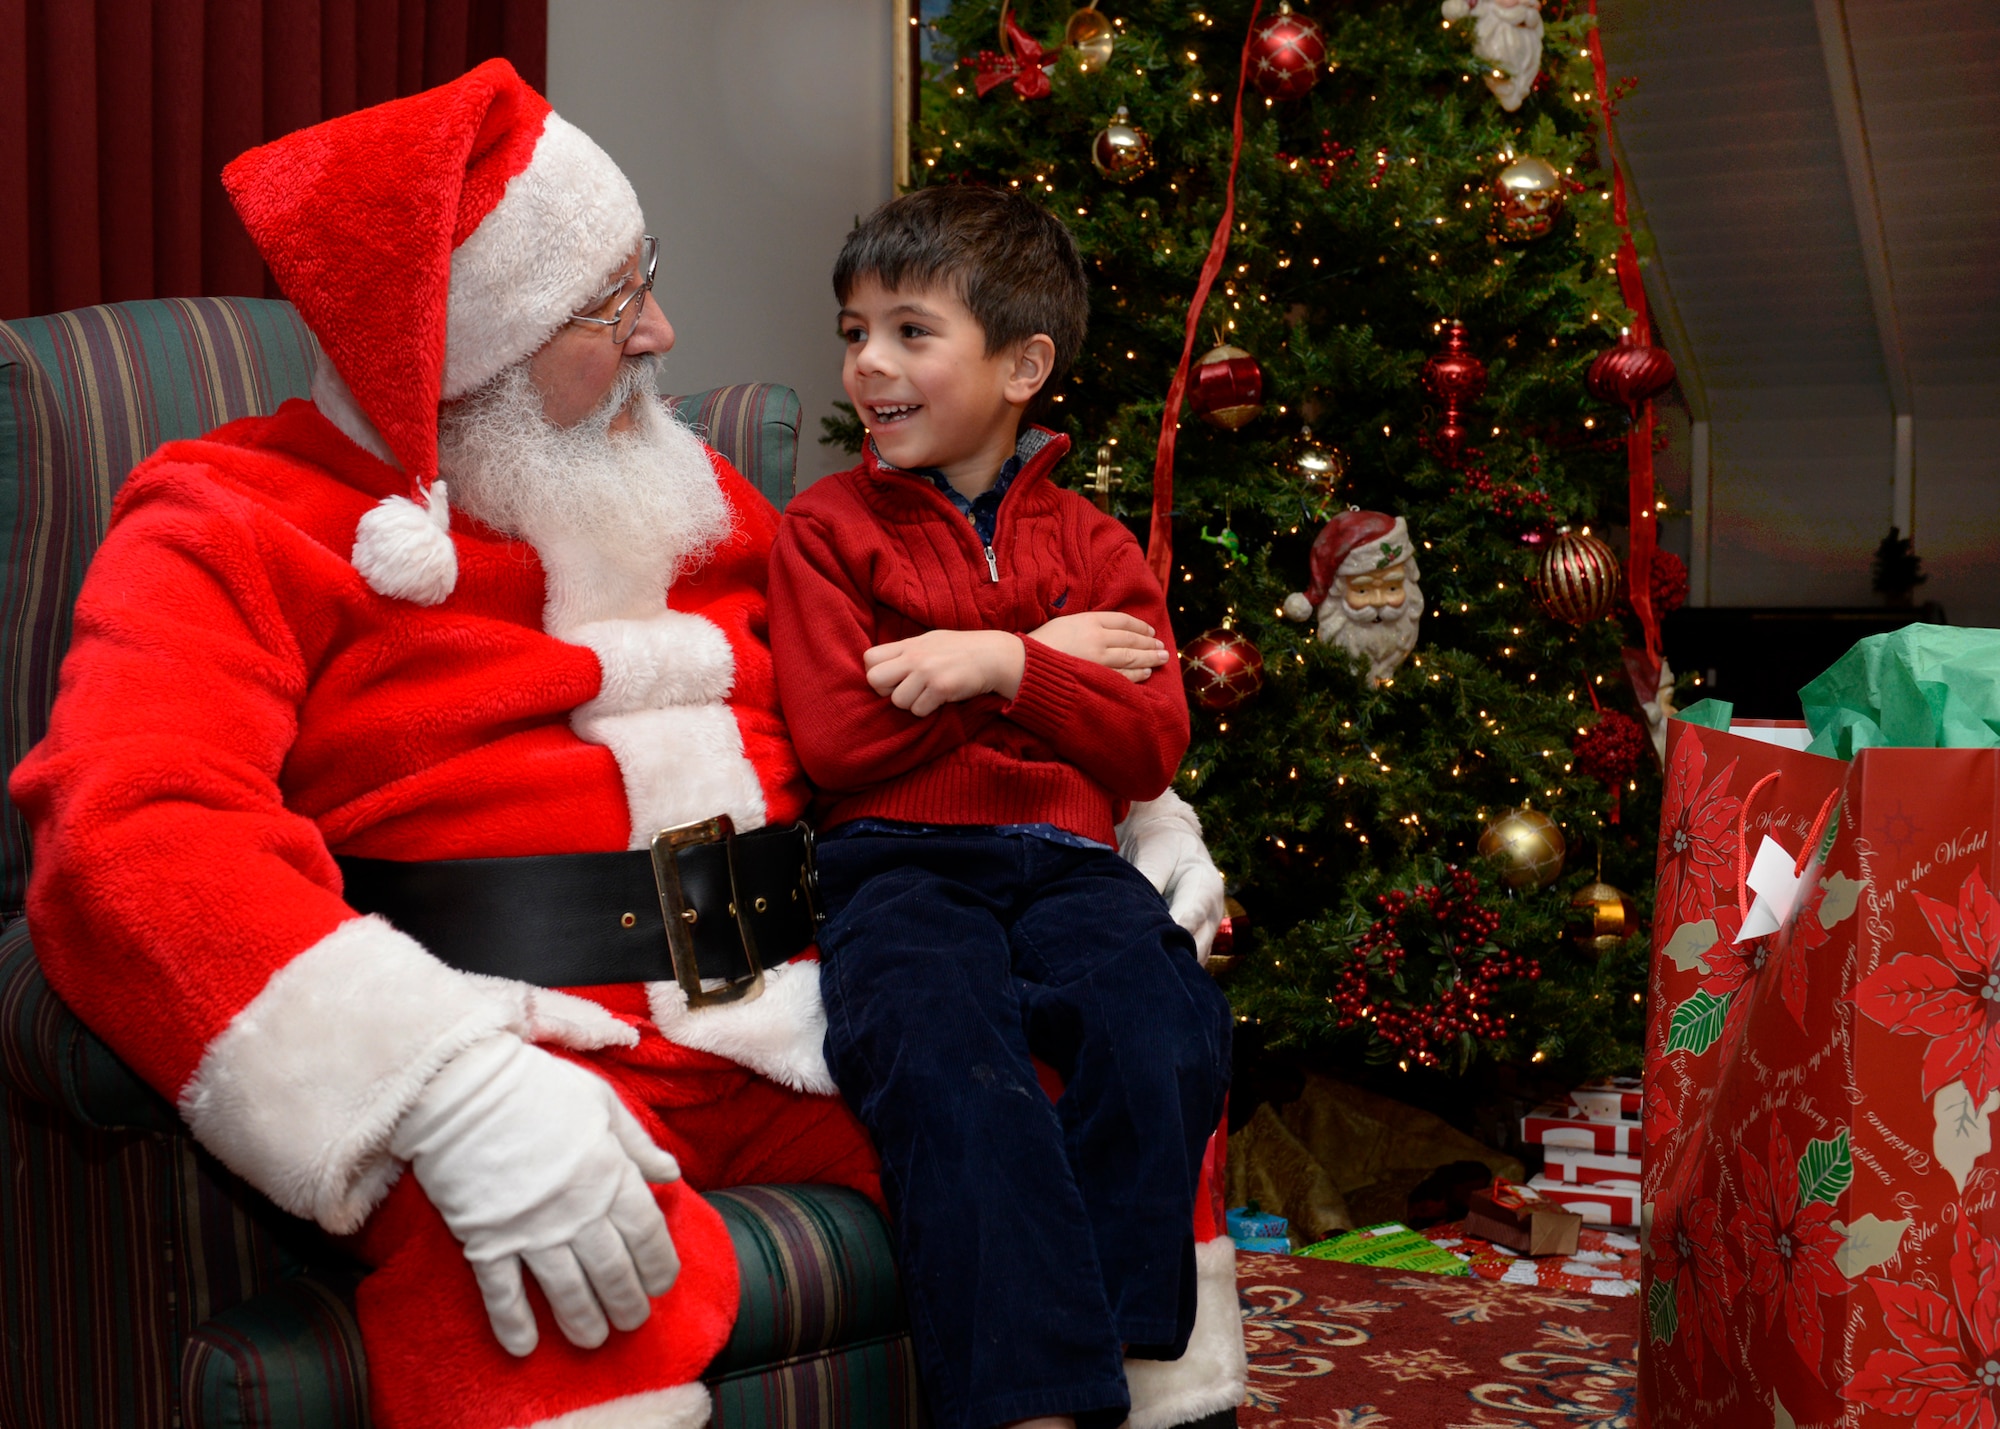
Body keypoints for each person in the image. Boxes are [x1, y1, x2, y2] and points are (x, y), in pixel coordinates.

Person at [8, 62, 1237, 1429]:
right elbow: (133, 835)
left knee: (1115, 1081)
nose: (661, 331)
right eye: (608, 304)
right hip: (514, 1033)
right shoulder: (229, 518)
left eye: (643, 276)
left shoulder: (694, 490)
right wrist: (443, 1088)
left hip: (799, 1008)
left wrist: (1135, 819)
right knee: (564, 1261)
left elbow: (917, 680)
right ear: (474, 344)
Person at [766, 188, 1237, 1429]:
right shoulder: (824, 533)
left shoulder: (1095, 546)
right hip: (895, 866)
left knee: (1169, 1026)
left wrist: (996, 670)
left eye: (910, 331)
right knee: (944, 1063)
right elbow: (841, 737)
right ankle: (1030, 1402)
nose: (869, 363)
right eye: (851, 329)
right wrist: (1029, 656)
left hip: (1071, 862)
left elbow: (1146, 746)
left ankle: (1119, 1351)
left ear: (1023, 364)